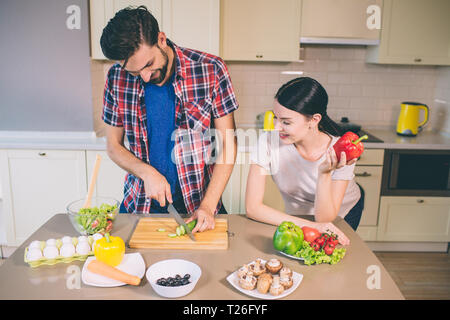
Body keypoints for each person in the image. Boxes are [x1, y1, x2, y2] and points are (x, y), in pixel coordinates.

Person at [100, 6, 238, 233]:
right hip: (139, 206)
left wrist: (208, 205)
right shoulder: (116, 78)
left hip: (199, 206)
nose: (145, 76)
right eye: (135, 73)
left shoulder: (210, 69)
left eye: (148, 65)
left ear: (161, 39)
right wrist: (147, 173)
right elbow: (113, 146)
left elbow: (228, 144)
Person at [245, 77, 365, 244]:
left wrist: (324, 173)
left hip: (342, 213)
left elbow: (325, 219)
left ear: (314, 120)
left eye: (286, 122)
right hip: (299, 217)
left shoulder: (340, 150)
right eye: (275, 118)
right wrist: (307, 225)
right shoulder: (268, 141)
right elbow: (252, 208)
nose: (276, 127)